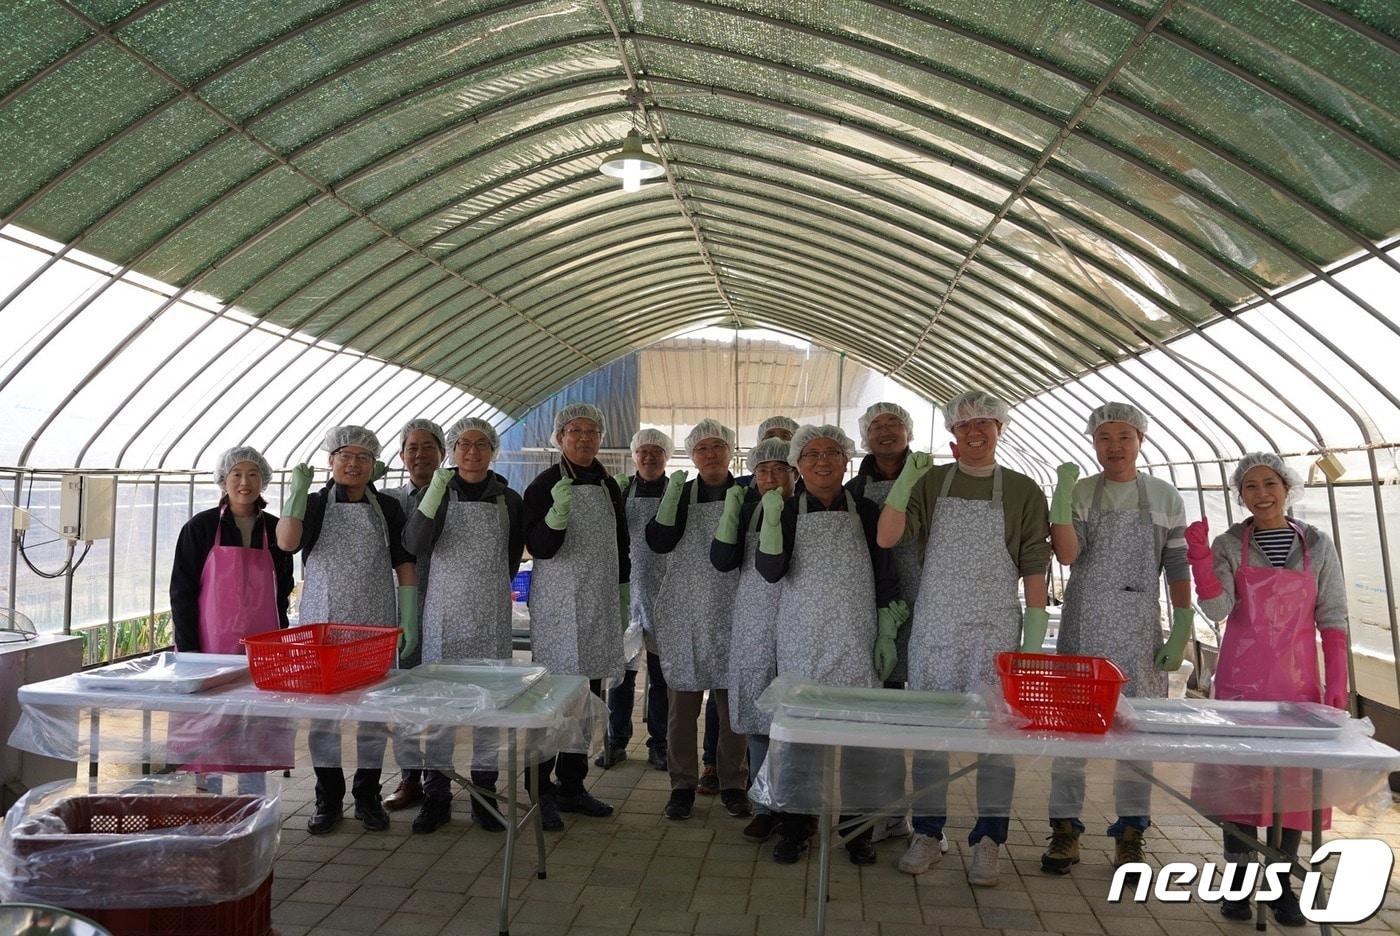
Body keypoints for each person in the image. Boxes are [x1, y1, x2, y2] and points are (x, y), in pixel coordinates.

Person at [877, 390, 1050, 886]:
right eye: (964, 425)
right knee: (933, 733)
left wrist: (1033, 637)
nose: (975, 432)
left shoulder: (1022, 490)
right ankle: (928, 831)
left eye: (985, 423)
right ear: (952, 434)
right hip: (937, 625)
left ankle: (990, 838)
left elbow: (1034, 563)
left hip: (995, 627)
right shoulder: (931, 482)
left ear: (1000, 427)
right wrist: (906, 481)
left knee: (996, 736)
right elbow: (888, 537)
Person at [1187, 453, 1350, 928]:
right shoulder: (1229, 543)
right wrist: (1201, 562)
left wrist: (1336, 680)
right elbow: (1217, 611)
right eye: (1251, 487)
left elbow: (1333, 614)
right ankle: (1238, 888)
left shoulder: (1316, 543)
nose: (1262, 494)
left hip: (1299, 686)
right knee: (1240, 786)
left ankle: (1281, 889)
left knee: (1291, 791)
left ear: (1287, 487)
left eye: (1270, 484)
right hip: (1240, 684)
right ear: (1240, 495)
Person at [1042, 403, 1193, 873]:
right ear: (1093, 443)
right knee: (1071, 736)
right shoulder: (1084, 491)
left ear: (1140, 439)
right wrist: (1062, 498)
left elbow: (1177, 563)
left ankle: (1131, 834)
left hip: (1140, 632)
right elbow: (1067, 556)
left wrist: (1184, 623)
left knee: (1136, 738)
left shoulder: (1166, 497)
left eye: (1124, 436)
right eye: (1104, 437)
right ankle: (1064, 831)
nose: (1114, 447)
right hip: (1084, 628)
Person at [758, 425, 907, 866]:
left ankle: (857, 827)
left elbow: (885, 572)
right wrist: (769, 522)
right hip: (802, 635)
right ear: (798, 466)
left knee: (860, 734)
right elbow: (770, 571)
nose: (823, 461)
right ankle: (795, 826)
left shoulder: (865, 508)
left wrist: (885, 630)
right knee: (800, 735)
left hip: (857, 636)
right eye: (812, 454)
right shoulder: (785, 510)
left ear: (846, 462)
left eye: (832, 453)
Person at [276, 426, 418, 834]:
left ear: (374, 465)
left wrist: (408, 617)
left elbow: (404, 563)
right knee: (325, 718)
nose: (353, 464)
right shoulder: (316, 503)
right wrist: (296, 496)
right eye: (345, 455)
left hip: (375, 624)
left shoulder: (387, 508)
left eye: (362, 457)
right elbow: (286, 543)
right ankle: (328, 797)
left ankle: (369, 797)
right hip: (324, 623)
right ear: (330, 460)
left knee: (372, 716)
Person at [402, 416, 524, 833]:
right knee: (440, 708)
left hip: (490, 616)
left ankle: (484, 795)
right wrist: (433, 493)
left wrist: (488, 590)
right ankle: (436, 793)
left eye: (481, 444)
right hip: (443, 616)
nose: (472, 451)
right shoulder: (436, 493)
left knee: (489, 708)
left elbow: (510, 558)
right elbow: (414, 544)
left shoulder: (509, 499)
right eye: (464, 444)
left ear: (493, 450)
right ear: (452, 451)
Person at [521, 402, 626, 828]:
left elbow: (621, 544)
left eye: (592, 432)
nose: (584, 439)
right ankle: (539, 788)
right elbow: (539, 548)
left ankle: (572, 785)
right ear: (560, 438)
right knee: (553, 702)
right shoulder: (543, 485)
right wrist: (557, 515)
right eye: (575, 431)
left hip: (599, 603)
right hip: (560, 609)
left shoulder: (608, 485)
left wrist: (621, 593)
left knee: (585, 699)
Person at [169, 446, 294, 792]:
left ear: (263, 481)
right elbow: (181, 591)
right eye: (236, 474)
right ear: (223, 480)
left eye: (253, 474)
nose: (244, 482)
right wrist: (191, 653)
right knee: (209, 724)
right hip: (208, 647)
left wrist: (280, 641)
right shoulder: (201, 527)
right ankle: (207, 798)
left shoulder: (274, 528)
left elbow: (283, 589)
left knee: (255, 722)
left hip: (262, 647)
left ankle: (253, 802)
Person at [647, 419, 749, 822]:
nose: (710, 454)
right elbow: (658, 542)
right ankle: (681, 785)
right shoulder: (680, 494)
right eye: (702, 448)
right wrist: (669, 501)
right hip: (685, 610)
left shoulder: (745, 494)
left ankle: (733, 783)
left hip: (735, 609)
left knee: (732, 707)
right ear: (691, 456)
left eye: (717, 447)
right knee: (681, 707)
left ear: (730, 452)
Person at [845, 402, 923, 843]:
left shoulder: (929, 483)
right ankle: (862, 811)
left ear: (908, 431)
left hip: (922, 606)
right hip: (869, 606)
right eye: (877, 425)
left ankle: (897, 814)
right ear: (865, 436)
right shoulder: (854, 490)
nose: (886, 431)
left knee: (898, 714)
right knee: (869, 708)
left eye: (895, 423)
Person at [709, 435, 794, 841]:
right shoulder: (745, 509)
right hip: (754, 620)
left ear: (795, 473)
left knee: (795, 721)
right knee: (760, 717)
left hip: (801, 619)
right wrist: (729, 515)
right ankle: (763, 805)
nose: (770, 478)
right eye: (762, 471)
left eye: (779, 469)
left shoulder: (806, 508)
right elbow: (723, 562)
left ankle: (797, 813)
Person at [599, 428, 675, 771]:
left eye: (656, 452)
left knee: (661, 677)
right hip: (628, 593)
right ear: (634, 456)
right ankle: (616, 741)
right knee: (621, 675)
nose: (649, 457)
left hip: (665, 594)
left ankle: (659, 744)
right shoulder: (621, 491)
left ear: (666, 457)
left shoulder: (677, 492)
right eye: (643, 451)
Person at [382, 417, 446, 813]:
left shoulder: (455, 497)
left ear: (442, 453)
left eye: (427, 447)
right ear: (402, 456)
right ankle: (409, 777)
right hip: (400, 612)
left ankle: (439, 780)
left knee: (440, 696)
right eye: (411, 448)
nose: (419, 454)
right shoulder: (389, 501)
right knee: (402, 698)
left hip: (448, 608)